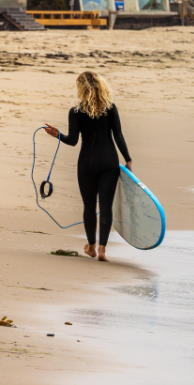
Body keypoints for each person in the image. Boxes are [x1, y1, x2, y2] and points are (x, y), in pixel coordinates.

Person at [42, 72, 131, 262]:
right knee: (106, 206)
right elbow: (119, 136)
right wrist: (128, 159)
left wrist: (57, 134)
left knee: (89, 206)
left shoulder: (75, 112)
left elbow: (73, 141)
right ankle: (102, 250)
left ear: (81, 89)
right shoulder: (111, 108)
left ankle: (90, 246)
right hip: (109, 163)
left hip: (87, 164)